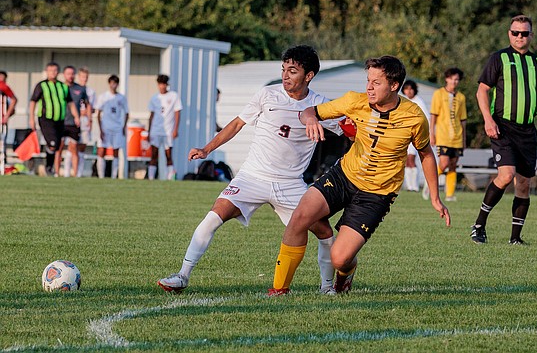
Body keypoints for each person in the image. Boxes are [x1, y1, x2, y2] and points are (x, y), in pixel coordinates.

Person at [157, 45, 344, 295]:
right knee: (214, 215)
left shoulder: (321, 105)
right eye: (283, 69)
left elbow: (347, 131)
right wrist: (206, 149)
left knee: (324, 231)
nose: (285, 76)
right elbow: (236, 124)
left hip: (290, 183)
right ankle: (182, 275)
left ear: (308, 76)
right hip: (252, 176)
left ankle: (327, 287)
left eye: (293, 71)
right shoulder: (267, 94)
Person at [269, 55, 451, 296]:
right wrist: (311, 118)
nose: (369, 87)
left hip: (376, 194)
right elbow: (309, 111)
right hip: (343, 176)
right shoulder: (354, 101)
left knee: (340, 259)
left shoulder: (414, 117)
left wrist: (436, 197)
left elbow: (426, 154)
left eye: (376, 82)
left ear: (394, 85)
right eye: (368, 80)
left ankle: (346, 273)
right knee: (299, 216)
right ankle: (279, 290)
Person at [471, 15, 537, 245]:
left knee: (523, 183)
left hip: (527, 131)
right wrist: (488, 121)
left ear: (531, 35)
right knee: (506, 175)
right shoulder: (498, 58)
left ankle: (515, 238)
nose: (520, 37)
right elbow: (482, 91)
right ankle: (479, 225)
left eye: (525, 33)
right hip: (502, 127)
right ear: (509, 34)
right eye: (515, 33)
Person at [29, 62, 79, 176]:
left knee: (57, 145)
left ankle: (50, 166)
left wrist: (76, 116)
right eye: (51, 71)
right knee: (52, 143)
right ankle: (49, 166)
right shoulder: (41, 85)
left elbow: (70, 103)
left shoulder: (63, 87)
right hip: (46, 119)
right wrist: (31, 118)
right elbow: (33, 102)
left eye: (55, 70)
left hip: (60, 120)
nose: (53, 73)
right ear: (47, 72)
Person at [428, 68, 467, 202]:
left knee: (453, 165)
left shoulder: (461, 97)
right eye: (452, 78)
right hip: (443, 136)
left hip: (457, 137)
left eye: (456, 79)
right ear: (447, 79)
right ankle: (430, 184)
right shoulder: (438, 94)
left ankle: (450, 194)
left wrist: (464, 139)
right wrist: (432, 134)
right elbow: (433, 115)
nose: (454, 82)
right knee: (443, 163)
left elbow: (463, 120)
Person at [54, 66, 88, 177]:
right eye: (68, 74)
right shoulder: (58, 87)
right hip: (61, 122)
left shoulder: (80, 89)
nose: (70, 76)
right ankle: (57, 173)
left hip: (74, 123)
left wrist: (88, 119)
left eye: (72, 74)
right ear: (64, 74)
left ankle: (75, 174)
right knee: (58, 148)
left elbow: (87, 104)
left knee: (74, 148)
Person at [147, 74, 182, 180]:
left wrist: (176, 129)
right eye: (160, 84)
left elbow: (177, 113)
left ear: (167, 85)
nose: (162, 86)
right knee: (153, 155)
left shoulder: (173, 96)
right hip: (155, 130)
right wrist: (149, 131)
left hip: (168, 130)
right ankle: (151, 178)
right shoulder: (154, 98)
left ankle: (170, 177)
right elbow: (151, 115)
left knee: (168, 155)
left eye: (164, 84)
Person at [95, 75, 129, 179]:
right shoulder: (103, 97)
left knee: (115, 151)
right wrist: (100, 129)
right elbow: (98, 113)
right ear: (109, 83)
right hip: (105, 127)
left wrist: (123, 127)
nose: (113, 85)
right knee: (102, 150)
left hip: (117, 128)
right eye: (111, 83)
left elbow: (127, 112)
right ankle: (101, 175)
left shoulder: (121, 98)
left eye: (115, 83)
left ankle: (114, 176)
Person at [400, 80, 429, 192]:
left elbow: (425, 118)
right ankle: (409, 185)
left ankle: (415, 185)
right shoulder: (403, 101)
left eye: (411, 89)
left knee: (411, 159)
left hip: (415, 134)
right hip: (405, 134)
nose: (409, 91)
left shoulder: (418, 102)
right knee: (407, 160)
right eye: (406, 89)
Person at [76, 67, 96, 177]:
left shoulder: (90, 92)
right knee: (72, 145)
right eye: (82, 77)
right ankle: (69, 172)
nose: (84, 79)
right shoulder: (74, 89)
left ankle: (79, 172)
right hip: (74, 119)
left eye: (86, 77)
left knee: (82, 145)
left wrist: (89, 118)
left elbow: (92, 107)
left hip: (85, 120)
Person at [0, 71, 18, 174]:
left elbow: (14, 100)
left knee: (2, 144)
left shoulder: (4, 88)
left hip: (2, 122)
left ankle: (2, 168)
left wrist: (6, 116)